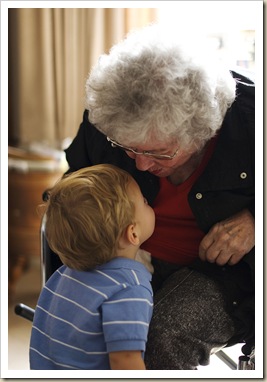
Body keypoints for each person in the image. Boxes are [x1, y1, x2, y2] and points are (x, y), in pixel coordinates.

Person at [63, 24, 255, 369]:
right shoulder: (108, 118)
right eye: (128, 148)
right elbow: (74, 184)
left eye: (160, 153)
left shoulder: (254, 122)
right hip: (121, 255)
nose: (139, 163)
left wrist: (258, 219)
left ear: (201, 130)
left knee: (161, 337)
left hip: (221, 272)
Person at [29, 164, 155, 370]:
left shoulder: (64, 274)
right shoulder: (129, 290)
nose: (149, 204)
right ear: (132, 233)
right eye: (144, 201)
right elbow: (126, 361)